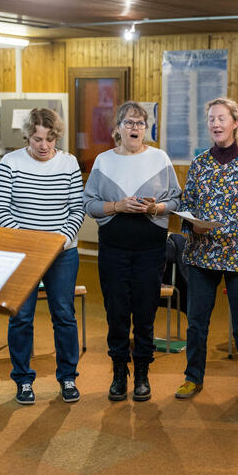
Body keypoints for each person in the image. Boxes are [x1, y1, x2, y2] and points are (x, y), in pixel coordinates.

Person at [83, 101, 181, 402]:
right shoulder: (103, 161)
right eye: (128, 122)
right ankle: (117, 372)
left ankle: (141, 373)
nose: (135, 128)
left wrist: (156, 207)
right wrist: (117, 206)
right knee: (117, 314)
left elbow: (176, 200)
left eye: (140, 123)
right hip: (114, 249)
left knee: (145, 312)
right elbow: (89, 204)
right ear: (117, 128)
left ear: (146, 129)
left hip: (151, 249)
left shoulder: (160, 158)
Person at [175, 97, 238, 404]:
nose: (215, 124)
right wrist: (192, 226)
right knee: (196, 323)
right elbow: (186, 205)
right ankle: (192, 377)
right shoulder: (200, 163)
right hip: (203, 255)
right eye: (211, 119)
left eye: (221, 118)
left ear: (235, 123)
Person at [0, 108, 85, 405]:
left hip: (62, 252)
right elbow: (0, 208)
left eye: (49, 139)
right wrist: (29, 241)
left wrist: (59, 240)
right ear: (27, 136)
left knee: (64, 315)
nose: (43, 146)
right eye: (36, 139)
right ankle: (23, 380)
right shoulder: (10, 162)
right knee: (21, 317)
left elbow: (76, 208)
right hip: (23, 252)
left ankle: (68, 377)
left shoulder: (69, 163)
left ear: (56, 137)